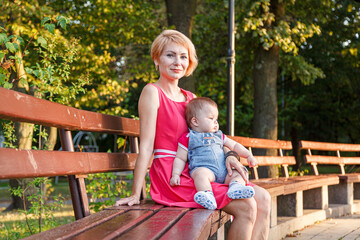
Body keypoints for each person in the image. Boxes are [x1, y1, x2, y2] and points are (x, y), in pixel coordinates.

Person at [115, 29, 271, 240]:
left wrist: (231, 157)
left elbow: (212, 138)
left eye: (183, 56)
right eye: (170, 55)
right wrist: (136, 193)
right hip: (173, 178)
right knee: (246, 206)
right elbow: (146, 147)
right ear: (157, 59)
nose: (177, 62)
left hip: (200, 170)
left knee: (263, 197)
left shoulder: (191, 98)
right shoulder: (152, 92)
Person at [170, 97, 256, 210]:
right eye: (211, 118)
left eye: (216, 119)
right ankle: (206, 195)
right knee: (200, 175)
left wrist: (248, 155)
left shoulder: (219, 135)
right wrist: (175, 174)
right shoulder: (188, 138)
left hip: (226, 171)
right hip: (206, 170)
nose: (216, 122)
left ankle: (236, 187)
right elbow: (180, 158)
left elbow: (234, 145)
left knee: (238, 173)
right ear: (195, 121)